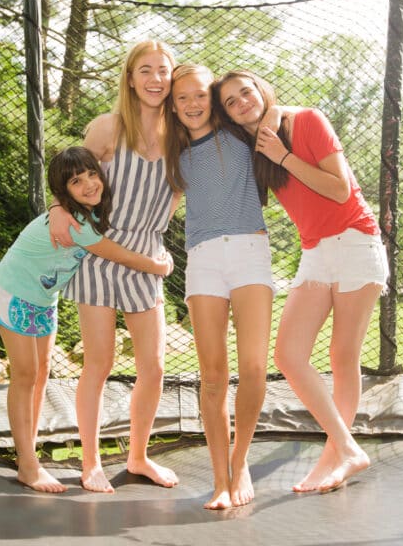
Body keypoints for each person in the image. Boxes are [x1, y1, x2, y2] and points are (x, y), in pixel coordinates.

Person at [213, 70, 388, 493]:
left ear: (261, 90)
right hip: (316, 253)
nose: (241, 103)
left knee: (342, 355)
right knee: (289, 355)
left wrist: (283, 155)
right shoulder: (254, 148)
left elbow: (340, 191)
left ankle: (336, 457)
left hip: (354, 242)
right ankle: (346, 448)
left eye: (246, 92)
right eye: (231, 102)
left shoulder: (307, 120)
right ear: (228, 115)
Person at [0, 146, 173, 493]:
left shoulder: (87, 212)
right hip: (14, 293)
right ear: (63, 191)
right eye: (76, 181)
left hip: (43, 299)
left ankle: (31, 450)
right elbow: (119, 255)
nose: (89, 184)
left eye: (92, 175)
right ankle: (27, 463)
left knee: (41, 375)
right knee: (25, 375)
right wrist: (161, 266)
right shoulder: (78, 223)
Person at [48, 40, 182, 493]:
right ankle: (90, 462)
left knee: (155, 366)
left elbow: (174, 197)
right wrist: (55, 209)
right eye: (145, 70)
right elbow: (70, 182)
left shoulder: (180, 138)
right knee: (99, 364)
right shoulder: (107, 128)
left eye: (163, 70)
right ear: (130, 77)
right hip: (100, 254)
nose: (155, 79)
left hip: (148, 255)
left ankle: (139, 457)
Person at [164, 64, 274, 509]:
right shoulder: (172, 151)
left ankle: (241, 460)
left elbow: (275, 111)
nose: (192, 105)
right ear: (173, 105)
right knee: (212, 377)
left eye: (199, 96)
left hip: (249, 250)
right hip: (204, 258)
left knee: (253, 369)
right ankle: (220, 478)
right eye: (181, 98)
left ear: (212, 99)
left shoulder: (242, 136)